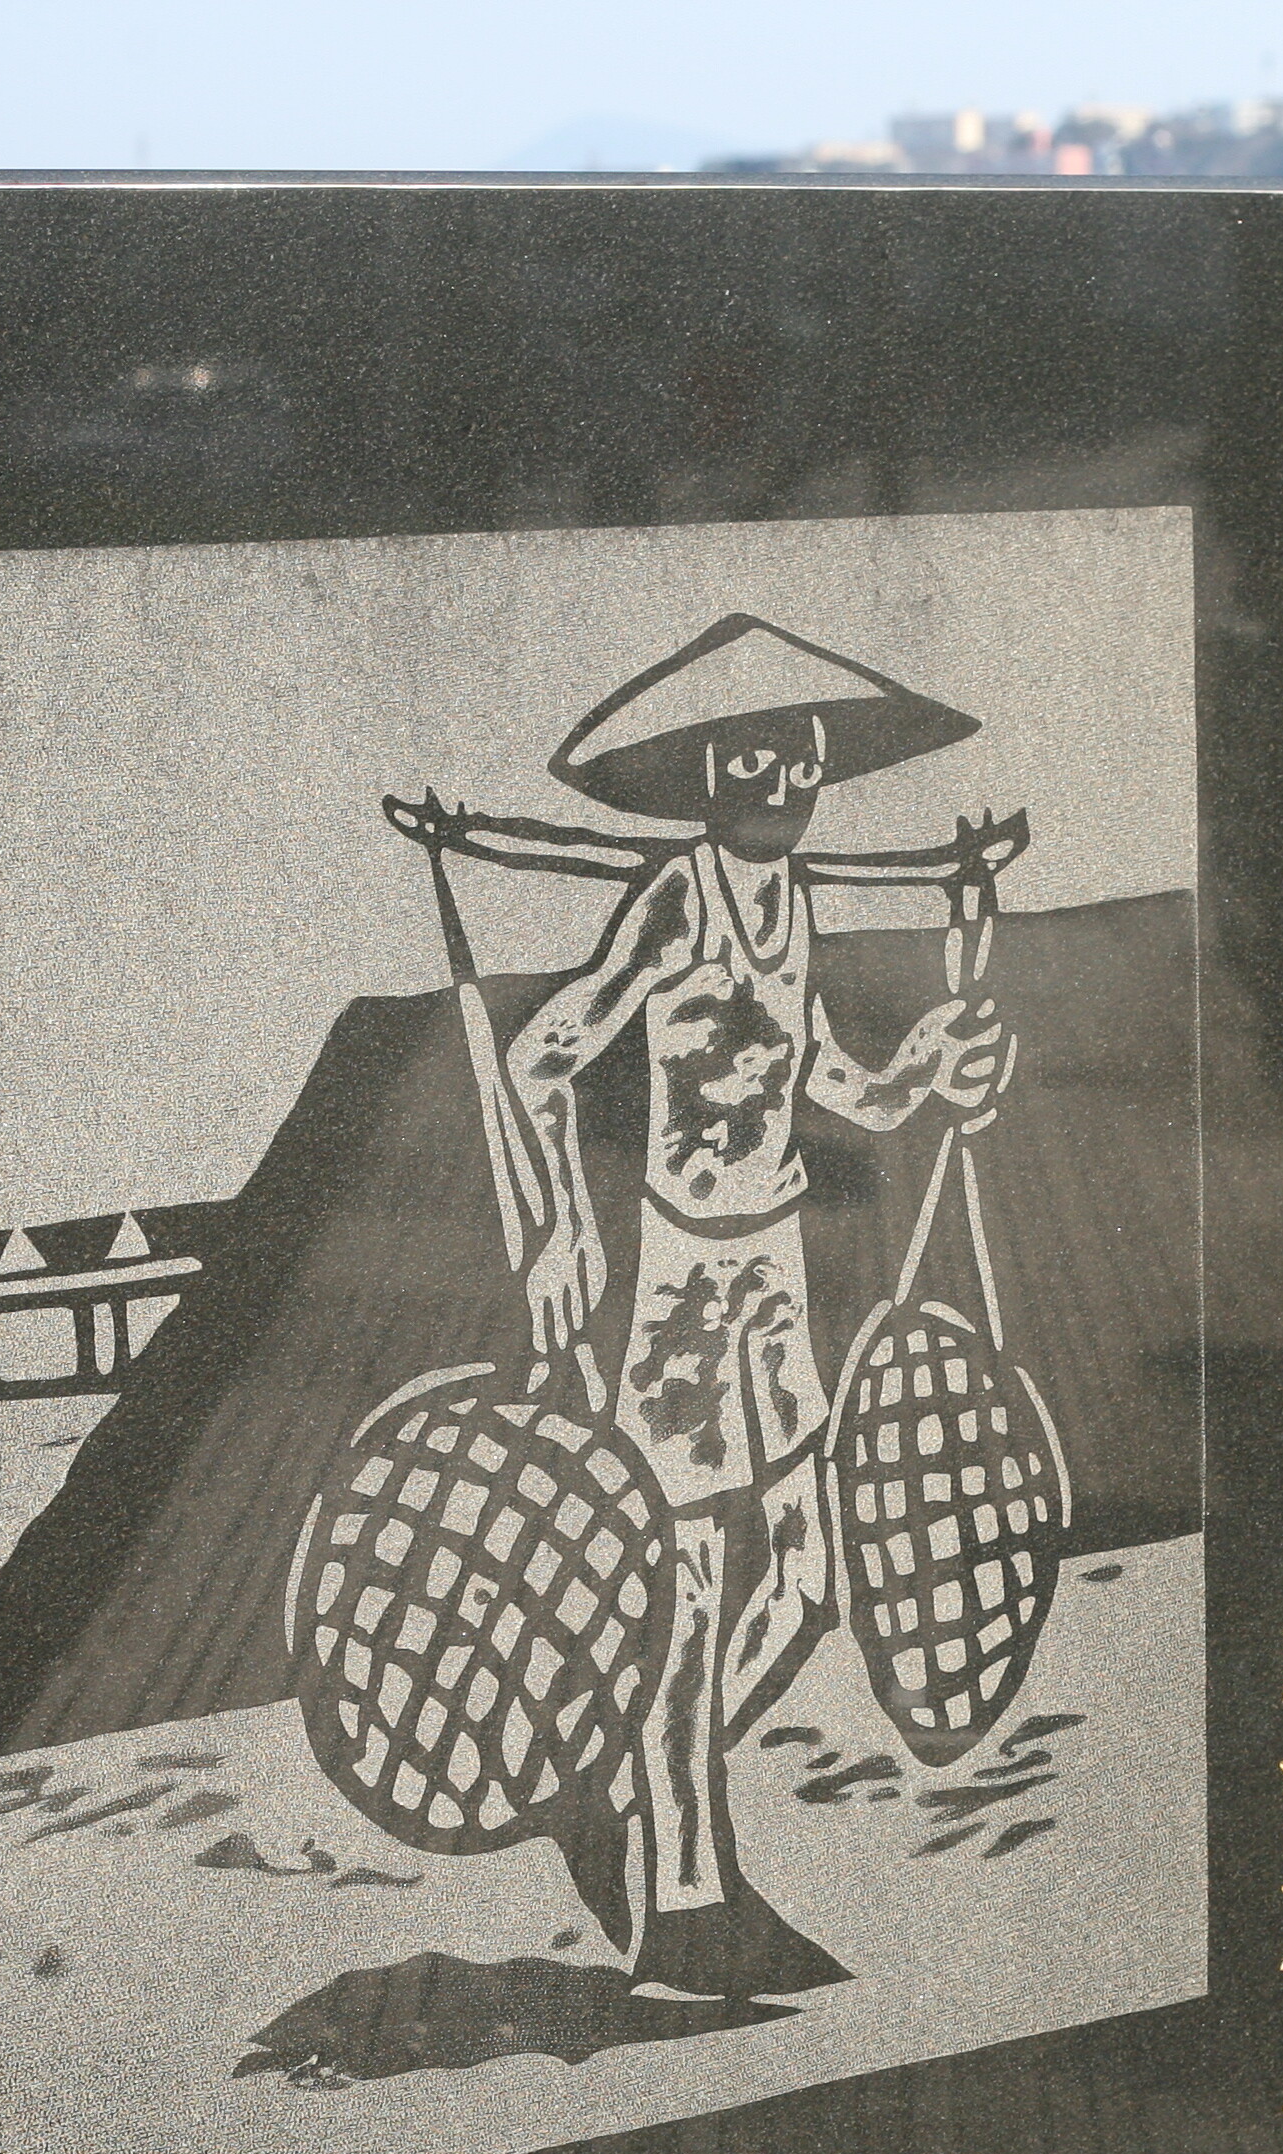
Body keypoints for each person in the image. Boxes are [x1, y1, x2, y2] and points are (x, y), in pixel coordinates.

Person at [388, 615, 1025, 1998]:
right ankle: (688, 1894)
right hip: (683, 1285)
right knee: (684, 1592)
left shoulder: (793, 904)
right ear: (707, 775)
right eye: (751, 760)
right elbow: (544, 1057)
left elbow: (831, 1083)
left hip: (772, 1267)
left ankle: (621, 1796)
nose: (782, 783)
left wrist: (922, 1072)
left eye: (801, 758)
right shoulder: (678, 899)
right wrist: (561, 1229)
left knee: (800, 1579)